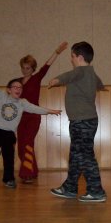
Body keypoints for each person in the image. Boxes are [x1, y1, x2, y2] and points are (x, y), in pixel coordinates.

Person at [0, 67, 61, 188]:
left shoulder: (22, 103)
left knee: (9, 156)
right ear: (9, 90)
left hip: (9, 134)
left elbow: (35, 108)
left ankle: (8, 179)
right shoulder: (1, 96)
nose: (18, 89)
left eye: (20, 88)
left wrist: (51, 111)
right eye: (15, 87)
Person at [48, 41, 107, 202]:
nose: (71, 59)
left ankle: (96, 191)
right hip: (83, 121)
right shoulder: (91, 73)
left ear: (80, 57)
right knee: (76, 156)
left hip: (82, 122)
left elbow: (69, 75)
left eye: (72, 56)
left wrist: (56, 79)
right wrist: (101, 87)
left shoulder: (80, 71)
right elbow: (99, 82)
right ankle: (70, 188)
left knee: (85, 156)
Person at [17, 42, 68, 184]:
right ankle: (33, 171)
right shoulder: (18, 82)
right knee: (21, 146)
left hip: (33, 116)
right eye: (23, 68)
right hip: (21, 118)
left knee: (27, 143)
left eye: (28, 68)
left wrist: (56, 52)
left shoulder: (36, 78)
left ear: (32, 68)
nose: (25, 70)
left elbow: (47, 66)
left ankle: (27, 174)